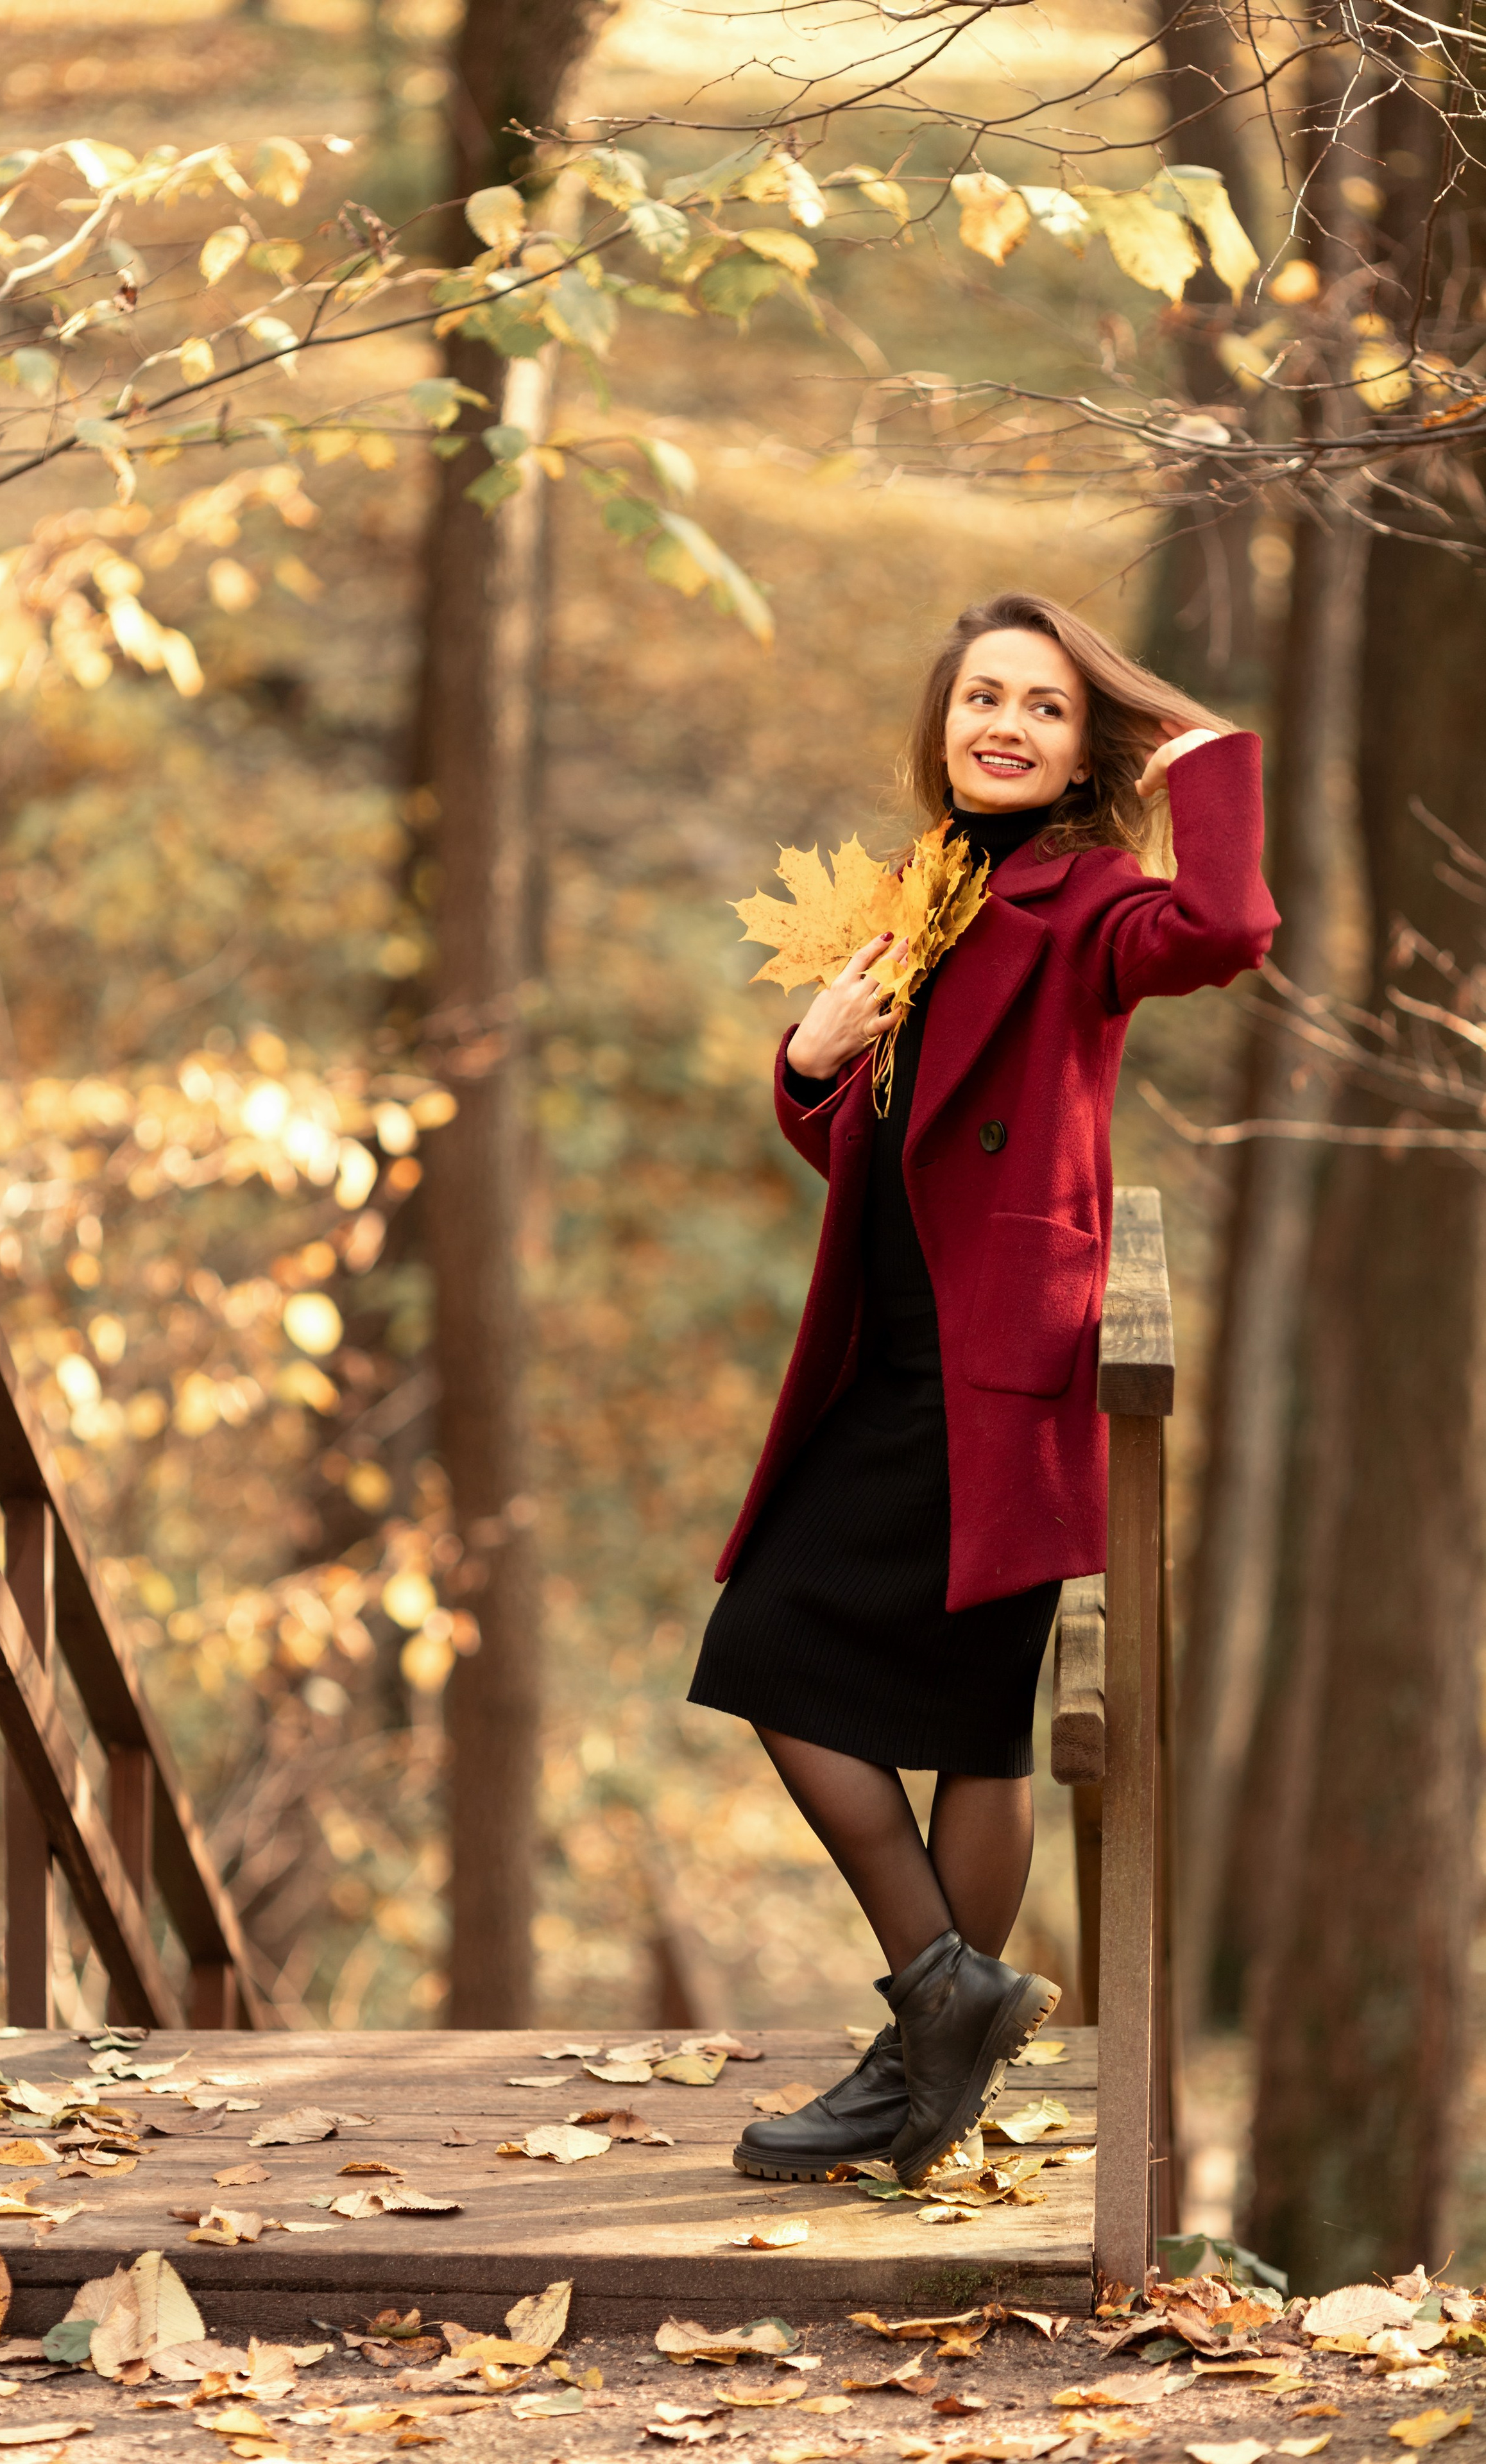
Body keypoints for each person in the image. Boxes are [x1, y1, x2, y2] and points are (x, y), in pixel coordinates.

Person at [689, 590, 1279, 2189]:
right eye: (979, 699)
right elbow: (876, 1147)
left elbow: (1224, 933)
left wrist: (1199, 751)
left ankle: (931, 2023)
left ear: (1088, 744)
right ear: (940, 721)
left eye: (1041, 705)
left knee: (844, 1680)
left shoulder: (1089, 902)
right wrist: (811, 1060)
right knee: (909, 1706)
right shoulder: (925, 893)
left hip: (984, 1373)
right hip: (889, 1349)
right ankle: (939, 2030)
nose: (1002, 725)